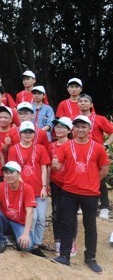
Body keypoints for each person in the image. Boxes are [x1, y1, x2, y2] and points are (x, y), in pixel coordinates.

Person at [52, 115, 110, 273]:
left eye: (84, 126)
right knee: (67, 224)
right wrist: (55, 165)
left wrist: (91, 180)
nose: (80, 129)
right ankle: (64, 256)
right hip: (69, 191)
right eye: (77, 126)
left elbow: (104, 169)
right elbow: (59, 166)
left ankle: (90, 257)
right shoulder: (66, 146)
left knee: (90, 226)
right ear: (73, 129)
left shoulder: (98, 147)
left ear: (89, 129)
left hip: (90, 193)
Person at [7, 121, 50, 254]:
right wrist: (24, 187)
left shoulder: (40, 148)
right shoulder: (13, 149)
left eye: (30, 132)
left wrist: (44, 186)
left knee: (41, 218)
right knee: (33, 217)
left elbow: (44, 168)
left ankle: (37, 243)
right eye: (25, 132)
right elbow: (13, 169)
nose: (27, 134)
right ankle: (28, 242)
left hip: (39, 188)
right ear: (20, 134)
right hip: (25, 190)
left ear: (34, 134)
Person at [0, 161, 37, 254]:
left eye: (11, 172)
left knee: (27, 247)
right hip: (5, 220)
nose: (8, 175)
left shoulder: (27, 188)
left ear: (19, 173)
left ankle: (14, 237)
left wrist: (25, 234)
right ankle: (1, 240)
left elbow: (30, 212)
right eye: (6, 173)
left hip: (20, 223)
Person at [77, 93, 113, 219]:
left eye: (86, 101)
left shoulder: (99, 119)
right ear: (78, 104)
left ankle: (104, 207)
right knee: (81, 178)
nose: (83, 103)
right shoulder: (74, 119)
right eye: (80, 101)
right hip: (79, 152)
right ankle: (82, 206)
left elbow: (112, 132)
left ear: (91, 105)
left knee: (100, 179)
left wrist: (106, 145)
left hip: (96, 153)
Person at [47, 117, 77, 257]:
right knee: (56, 213)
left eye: (62, 127)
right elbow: (46, 166)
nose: (58, 129)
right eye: (57, 127)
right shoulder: (51, 145)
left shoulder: (73, 145)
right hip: (55, 183)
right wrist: (46, 184)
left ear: (69, 130)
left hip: (71, 184)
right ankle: (58, 241)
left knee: (70, 214)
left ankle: (71, 241)